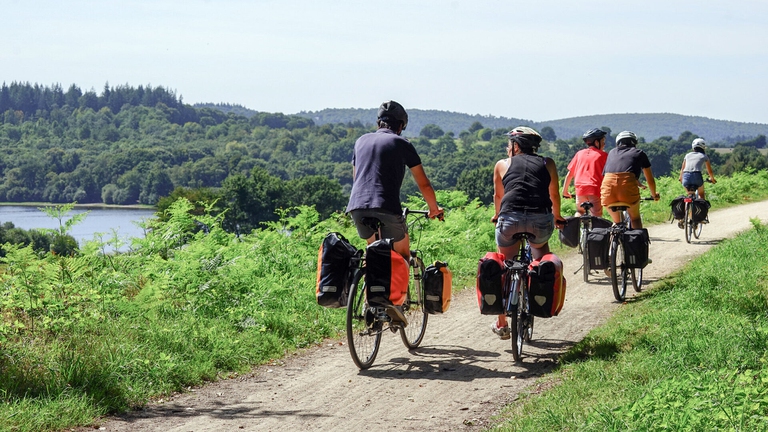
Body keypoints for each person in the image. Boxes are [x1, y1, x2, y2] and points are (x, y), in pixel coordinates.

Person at [346, 100, 443, 324]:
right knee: (402, 255)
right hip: (386, 207)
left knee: (373, 253)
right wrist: (433, 209)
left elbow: (356, 178)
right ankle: (396, 305)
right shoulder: (402, 143)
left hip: (357, 207)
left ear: (379, 122)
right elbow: (424, 184)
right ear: (401, 126)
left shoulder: (360, 141)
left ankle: (369, 303)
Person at [490, 126, 565, 339]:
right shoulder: (547, 163)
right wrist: (558, 217)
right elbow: (554, 195)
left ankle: (501, 321)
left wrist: (498, 215)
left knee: (504, 262)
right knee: (541, 260)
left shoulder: (502, 165)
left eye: (509, 145)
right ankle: (538, 298)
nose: (507, 148)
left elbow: (499, 195)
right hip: (539, 222)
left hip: (509, 220)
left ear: (515, 146)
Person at [600, 131, 660, 229]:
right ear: (634, 142)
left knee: (617, 222)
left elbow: (615, 175)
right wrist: (654, 195)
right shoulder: (639, 153)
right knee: (635, 218)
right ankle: (637, 242)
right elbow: (650, 179)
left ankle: (612, 241)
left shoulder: (611, 152)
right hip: (628, 191)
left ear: (618, 142)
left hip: (608, 190)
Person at [561, 128, 609, 217]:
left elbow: (570, 174)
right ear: (596, 142)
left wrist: (565, 191)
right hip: (594, 189)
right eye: (603, 141)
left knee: (580, 211)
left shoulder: (579, 154)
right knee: (596, 216)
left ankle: (576, 229)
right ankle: (595, 230)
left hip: (580, 189)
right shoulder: (604, 155)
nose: (604, 144)